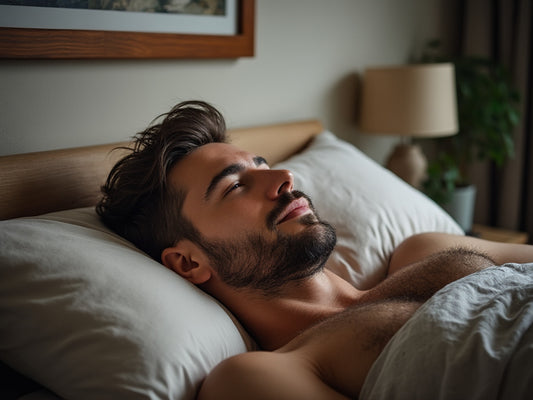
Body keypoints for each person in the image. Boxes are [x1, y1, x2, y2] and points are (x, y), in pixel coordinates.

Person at [97, 100, 533, 398]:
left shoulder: (425, 250)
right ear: (189, 261)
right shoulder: (260, 376)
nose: (283, 177)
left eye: (263, 165)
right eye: (235, 186)